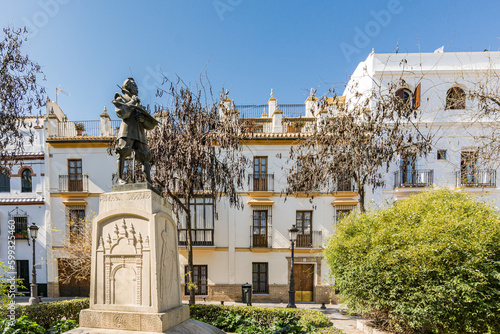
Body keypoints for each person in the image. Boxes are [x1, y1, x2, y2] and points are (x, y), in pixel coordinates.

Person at [112, 77, 158, 185]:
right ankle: (120, 179)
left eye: (137, 87)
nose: (137, 89)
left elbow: (149, 125)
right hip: (127, 130)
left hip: (139, 132)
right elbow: (122, 113)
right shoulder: (121, 98)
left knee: (144, 156)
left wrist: (143, 120)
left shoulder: (139, 104)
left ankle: (148, 182)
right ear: (127, 87)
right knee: (122, 152)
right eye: (134, 86)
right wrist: (132, 102)